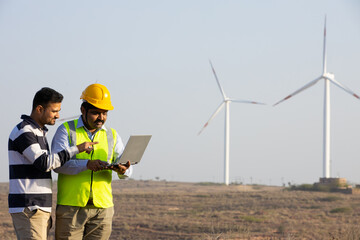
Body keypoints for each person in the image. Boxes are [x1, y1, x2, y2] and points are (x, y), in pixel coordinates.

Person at [8, 87, 97, 240]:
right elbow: (44, 163)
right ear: (40, 109)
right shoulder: (24, 131)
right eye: (54, 111)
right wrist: (77, 148)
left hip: (38, 208)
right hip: (29, 208)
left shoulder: (38, 132)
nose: (58, 115)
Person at [51, 83, 132, 240]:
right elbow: (57, 165)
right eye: (96, 113)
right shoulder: (66, 130)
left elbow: (127, 170)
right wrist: (86, 165)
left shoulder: (113, 135)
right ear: (83, 110)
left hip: (102, 208)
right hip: (71, 207)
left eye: (104, 113)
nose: (101, 118)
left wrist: (123, 170)